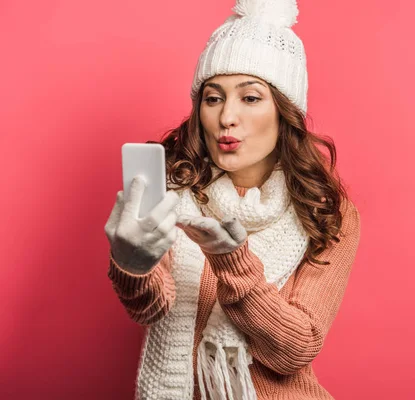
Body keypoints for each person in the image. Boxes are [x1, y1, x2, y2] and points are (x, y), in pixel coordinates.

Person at [103, 0, 361, 399]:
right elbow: (149, 309)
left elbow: (294, 351)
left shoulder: (326, 211)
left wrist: (233, 262)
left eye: (251, 98)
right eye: (213, 98)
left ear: (284, 111)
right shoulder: (174, 190)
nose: (227, 117)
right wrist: (132, 264)